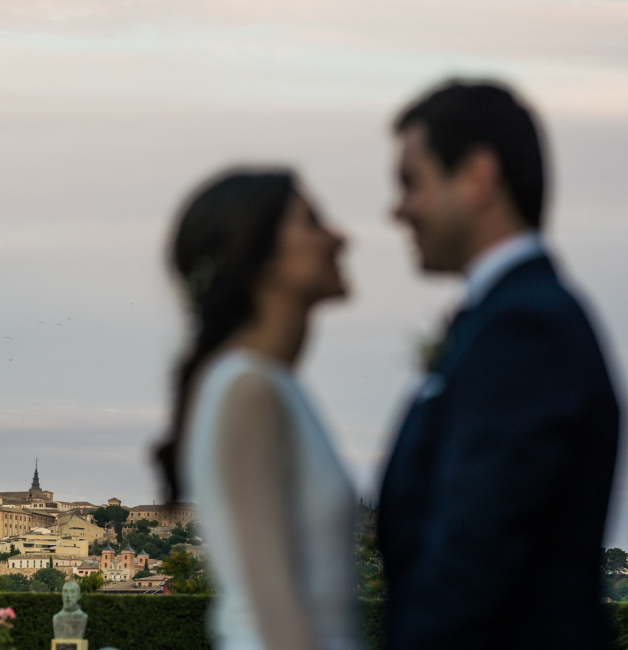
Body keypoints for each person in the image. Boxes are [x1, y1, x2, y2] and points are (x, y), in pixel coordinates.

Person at [378, 79, 621, 649]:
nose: (398, 209)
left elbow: (471, 557)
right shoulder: (507, 319)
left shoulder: (524, 329)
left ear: (476, 178)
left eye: (412, 182)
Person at [156, 169, 362, 650]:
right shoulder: (250, 390)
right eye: (312, 222)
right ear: (261, 255)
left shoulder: (265, 385)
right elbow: (276, 610)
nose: (338, 237)